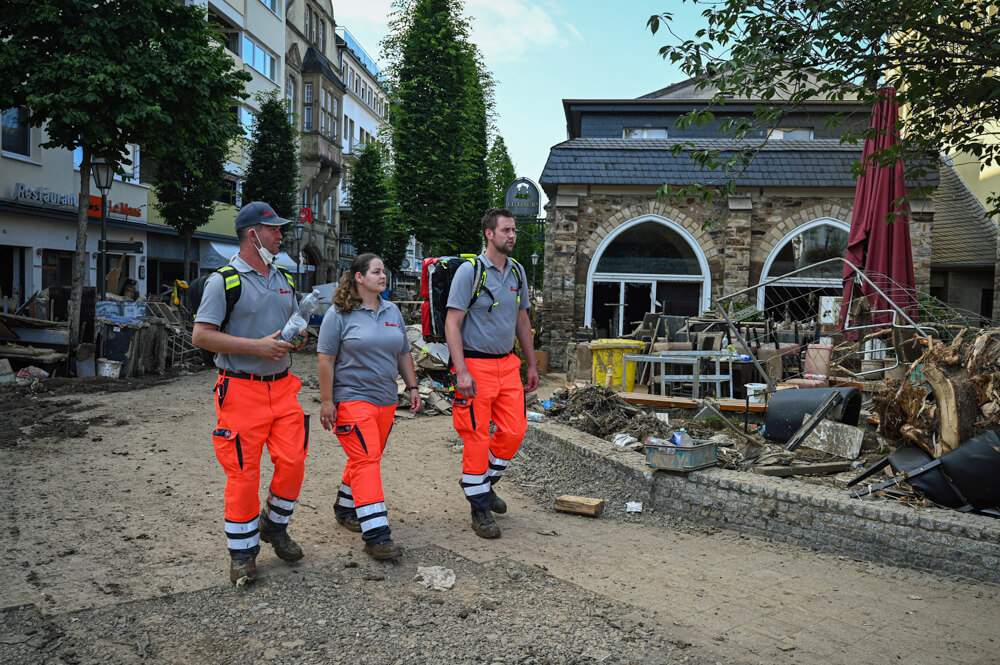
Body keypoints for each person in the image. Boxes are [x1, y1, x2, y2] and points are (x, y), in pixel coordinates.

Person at [192, 201, 309, 585]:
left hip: (283, 387)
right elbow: (201, 335)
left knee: (293, 461)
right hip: (240, 389)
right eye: (274, 230)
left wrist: (299, 336)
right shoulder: (224, 280)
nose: (280, 235)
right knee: (243, 473)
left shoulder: (284, 278)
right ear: (253, 234)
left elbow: (293, 324)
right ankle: (242, 554)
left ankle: (274, 526)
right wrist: (256, 347)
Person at [317, 253, 422, 560]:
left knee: (366, 457)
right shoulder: (338, 314)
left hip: (386, 400)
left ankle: (345, 507)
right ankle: (376, 534)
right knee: (367, 461)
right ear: (359, 277)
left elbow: (403, 353)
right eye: (376, 271)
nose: (383, 275)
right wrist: (327, 401)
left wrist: (413, 387)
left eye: (384, 271)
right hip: (352, 398)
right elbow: (325, 360)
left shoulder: (392, 311)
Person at [444, 208, 538, 538]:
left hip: (508, 365)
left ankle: (480, 484)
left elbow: (522, 321)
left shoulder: (517, 272)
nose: (512, 235)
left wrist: (531, 364)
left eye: (514, 230)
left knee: (514, 431)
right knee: (476, 437)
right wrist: (461, 370)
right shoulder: (469, 272)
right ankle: (480, 509)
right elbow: (452, 323)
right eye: (506, 230)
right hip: (475, 365)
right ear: (489, 233)